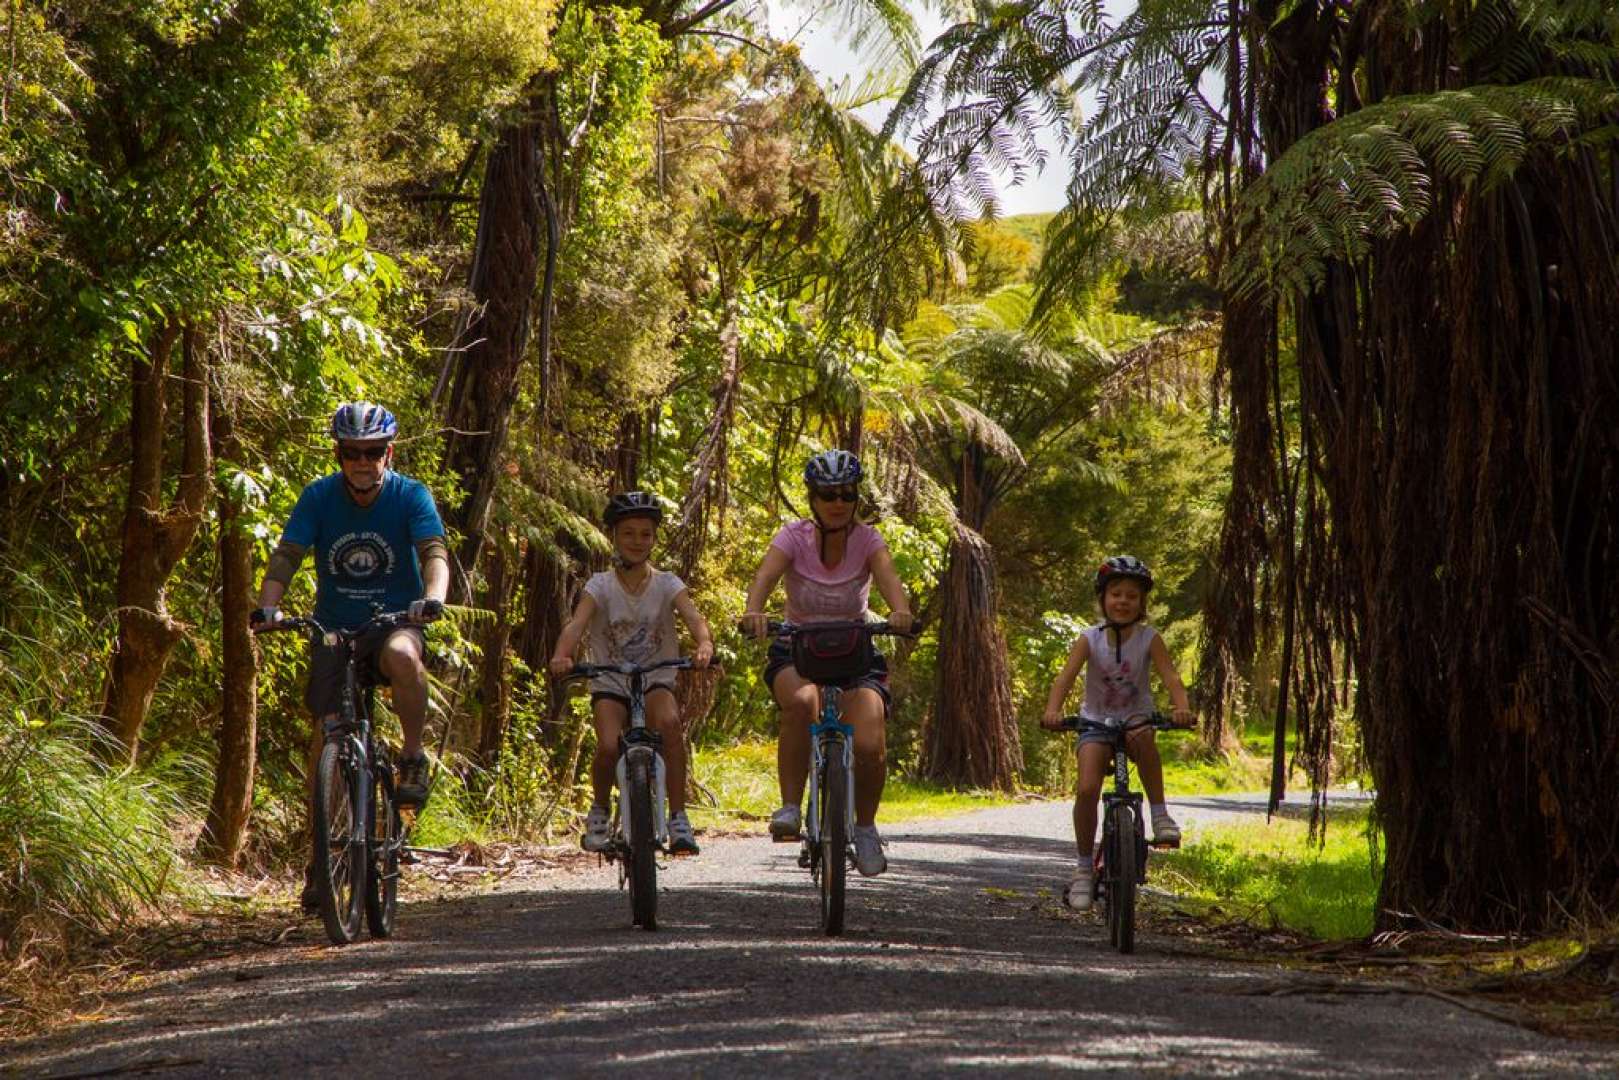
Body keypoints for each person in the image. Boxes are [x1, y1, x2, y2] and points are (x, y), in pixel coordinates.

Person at [251, 403, 449, 905]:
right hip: (334, 628)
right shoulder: (319, 497)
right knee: (325, 740)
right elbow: (288, 555)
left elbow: (433, 553)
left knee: (405, 656)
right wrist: (267, 607)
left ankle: (411, 757)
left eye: (372, 452)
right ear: (339, 454)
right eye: (351, 453)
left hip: (392, 624)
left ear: (389, 452)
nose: (362, 462)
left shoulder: (410, 496)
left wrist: (434, 598)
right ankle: (323, 862)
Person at [739, 449, 914, 876]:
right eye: (828, 494)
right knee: (800, 705)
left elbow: (890, 582)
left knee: (871, 745)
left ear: (856, 498)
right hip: (797, 647)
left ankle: (867, 827)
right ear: (813, 499)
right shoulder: (792, 536)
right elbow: (765, 577)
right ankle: (790, 807)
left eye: (846, 494)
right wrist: (753, 611)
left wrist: (900, 613)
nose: (838, 502)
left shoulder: (869, 539)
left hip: (856, 650)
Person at [549, 492, 714, 856]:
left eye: (645, 534)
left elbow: (692, 615)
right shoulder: (600, 585)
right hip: (611, 680)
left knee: (669, 725)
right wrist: (563, 654)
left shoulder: (667, 583)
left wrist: (703, 645)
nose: (637, 541)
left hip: (655, 677)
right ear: (614, 537)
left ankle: (678, 817)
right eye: (628, 534)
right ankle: (600, 812)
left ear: (654, 539)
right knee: (608, 745)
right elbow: (577, 624)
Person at [1040, 555, 1192, 910]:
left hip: (1135, 717)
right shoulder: (1088, 639)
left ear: (1141, 604)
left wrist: (1180, 707)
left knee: (1145, 744)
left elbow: (1170, 676)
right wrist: (1053, 711)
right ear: (1103, 599)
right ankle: (1081, 869)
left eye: (1132, 596)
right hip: (1096, 719)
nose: (1123, 601)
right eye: (1116, 594)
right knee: (1087, 788)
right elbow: (1065, 677)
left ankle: (1160, 814)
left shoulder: (1149, 638)